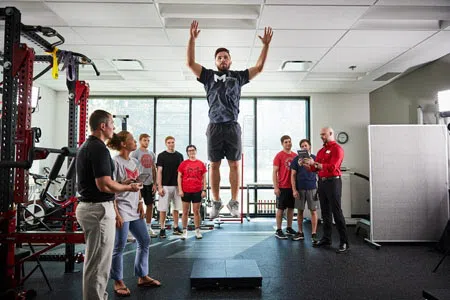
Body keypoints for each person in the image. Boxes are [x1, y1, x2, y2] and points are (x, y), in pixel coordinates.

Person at [187, 20, 273, 219]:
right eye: (219, 57)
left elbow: (259, 68)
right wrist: (192, 39)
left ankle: (234, 201)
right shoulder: (207, 76)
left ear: (230, 61)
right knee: (214, 164)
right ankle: (216, 201)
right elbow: (190, 63)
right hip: (215, 126)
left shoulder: (238, 76)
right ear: (215, 61)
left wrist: (266, 45)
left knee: (234, 164)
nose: (223, 59)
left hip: (232, 126)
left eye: (226, 57)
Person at [75, 110, 141, 300]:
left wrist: (124, 184)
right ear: (103, 126)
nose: (114, 127)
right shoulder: (98, 149)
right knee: (98, 265)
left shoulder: (88, 146)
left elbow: (106, 182)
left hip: (93, 208)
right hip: (97, 210)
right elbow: (104, 185)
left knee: (97, 262)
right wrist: (128, 188)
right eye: (112, 123)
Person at [107, 131, 161, 297]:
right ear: (123, 144)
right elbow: (110, 188)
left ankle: (142, 276)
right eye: (132, 140)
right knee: (119, 246)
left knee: (144, 240)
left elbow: (138, 184)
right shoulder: (115, 162)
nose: (135, 142)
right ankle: (118, 280)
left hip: (134, 208)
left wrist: (140, 203)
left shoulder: (134, 162)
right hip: (120, 207)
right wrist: (116, 213)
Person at [304, 127, 349, 253]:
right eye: (320, 134)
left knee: (336, 211)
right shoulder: (321, 151)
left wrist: (316, 164)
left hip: (333, 182)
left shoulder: (337, 149)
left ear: (331, 134)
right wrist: (308, 165)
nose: (322, 136)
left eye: (323, 134)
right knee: (325, 212)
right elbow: (315, 169)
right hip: (322, 183)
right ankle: (327, 238)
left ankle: (344, 242)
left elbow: (333, 167)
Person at [290, 139, 319, 242]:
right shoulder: (296, 159)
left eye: (305, 145)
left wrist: (311, 163)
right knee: (300, 211)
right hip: (300, 188)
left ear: (309, 146)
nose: (304, 147)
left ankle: (314, 234)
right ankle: (300, 232)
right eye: (302, 146)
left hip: (312, 188)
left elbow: (319, 171)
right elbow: (292, 175)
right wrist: (294, 190)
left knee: (313, 211)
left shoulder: (315, 158)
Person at [177, 145, 207, 240]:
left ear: (196, 151)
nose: (191, 152)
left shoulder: (201, 164)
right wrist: (180, 190)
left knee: (196, 211)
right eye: (189, 151)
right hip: (186, 190)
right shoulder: (183, 164)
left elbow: (204, 178)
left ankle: (197, 231)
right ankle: (184, 231)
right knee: (185, 212)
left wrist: (204, 189)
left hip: (197, 190)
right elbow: (179, 177)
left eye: (193, 150)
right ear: (187, 152)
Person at [131, 133, 158, 238]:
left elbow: (153, 169)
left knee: (150, 205)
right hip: (139, 183)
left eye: (148, 140)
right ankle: (136, 229)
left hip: (149, 183)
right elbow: (132, 168)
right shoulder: (135, 153)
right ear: (140, 141)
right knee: (137, 205)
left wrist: (155, 183)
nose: (146, 142)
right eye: (144, 140)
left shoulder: (152, 154)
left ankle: (148, 227)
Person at [156, 136, 184, 238]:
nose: (171, 144)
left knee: (176, 208)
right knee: (163, 209)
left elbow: (181, 173)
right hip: (165, 186)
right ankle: (162, 228)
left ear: (175, 143)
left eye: (172, 142)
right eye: (169, 142)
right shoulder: (161, 156)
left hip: (177, 186)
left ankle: (176, 227)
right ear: (166, 143)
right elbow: (159, 172)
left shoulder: (179, 156)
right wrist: (159, 187)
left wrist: (181, 188)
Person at [272, 135, 298, 239]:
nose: (288, 144)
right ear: (282, 144)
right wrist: (276, 187)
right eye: (286, 142)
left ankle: (289, 227)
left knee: (291, 208)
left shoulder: (295, 156)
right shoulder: (279, 156)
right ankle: (278, 230)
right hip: (282, 186)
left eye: (289, 142)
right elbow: (274, 172)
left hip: (292, 187)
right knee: (281, 209)